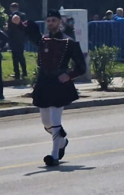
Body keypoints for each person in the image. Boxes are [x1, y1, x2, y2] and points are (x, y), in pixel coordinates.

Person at [12, 11, 87, 166]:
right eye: (48, 20)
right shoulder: (43, 40)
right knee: (46, 123)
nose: (51, 23)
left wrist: (69, 75)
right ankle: (62, 141)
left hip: (59, 83)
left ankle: (54, 156)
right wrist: (19, 23)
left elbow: (81, 66)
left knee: (55, 119)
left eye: (54, 20)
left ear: (60, 22)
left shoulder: (69, 42)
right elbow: (30, 32)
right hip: (44, 82)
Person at [6, 2, 28, 80]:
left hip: (14, 39)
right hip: (20, 39)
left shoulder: (12, 16)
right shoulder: (23, 15)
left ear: (12, 8)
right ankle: (24, 72)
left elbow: (10, 29)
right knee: (21, 56)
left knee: (15, 57)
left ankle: (17, 73)